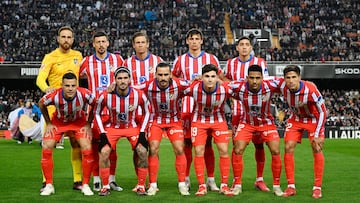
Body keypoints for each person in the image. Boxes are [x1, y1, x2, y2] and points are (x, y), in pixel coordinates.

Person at [172, 28, 225, 191]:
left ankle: (210, 180)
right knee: (187, 144)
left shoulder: (211, 58)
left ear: (201, 41)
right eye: (191, 38)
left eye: (197, 38)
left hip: (209, 109)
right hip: (188, 108)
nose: (194, 41)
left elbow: (221, 79)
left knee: (208, 145)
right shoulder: (180, 60)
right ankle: (186, 178)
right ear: (187, 41)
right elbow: (173, 79)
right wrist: (190, 83)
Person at [36, 26, 84, 192]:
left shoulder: (78, 56)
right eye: (63, 37)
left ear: (73, 39)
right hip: (54, 109)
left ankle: (78, 180)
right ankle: (46, 181)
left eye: (69, 37)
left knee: (76, 143)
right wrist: (47, 89)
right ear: (58, 39)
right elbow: (40, 79)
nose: (66, 40)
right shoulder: (50, 57)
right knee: (48, 145)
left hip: (74, 108)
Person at [227, 65, 283, 196]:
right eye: (251, 78)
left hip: (266, 123)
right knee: (237, 149)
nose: (254, 81)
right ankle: (237, 185)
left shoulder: (270, 85)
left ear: (262, 78)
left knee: (275, 150)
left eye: (258, 78)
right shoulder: (239, 86)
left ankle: (276, 186)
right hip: (247, 122)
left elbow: (288, 82)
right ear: (247, 78)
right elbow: (223, 86)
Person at [225, 36, 271, 192]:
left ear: (251, 47)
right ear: (237, 47)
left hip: (258, 112)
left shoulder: (260, 63)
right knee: (237, 147)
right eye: (241, 45)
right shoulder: (231, 63)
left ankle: (260, 179)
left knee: (259, 145)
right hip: (238, 111)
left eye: (247, 45)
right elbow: (227, 82)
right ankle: (236, 181)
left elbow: (267, 83)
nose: (244, 47)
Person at [80, 31, 124, 192]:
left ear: (108, 43)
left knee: (112, 146)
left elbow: (125, 78)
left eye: (103, 41)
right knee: (94, 145)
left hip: (112, 109)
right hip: (94, 109)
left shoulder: (117, 60)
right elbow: (75, 80)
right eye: (97, 42)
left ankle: (111, 179)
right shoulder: (86, 62)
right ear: (93, 44)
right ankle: (97, 179)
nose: (100, 44)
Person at [94, 67, 150, 196]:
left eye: (125, 78)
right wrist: (102, 133)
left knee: (142, 151)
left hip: (132, 126)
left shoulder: (138, 94)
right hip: (113, 127)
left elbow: (147, 112)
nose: (123, 81)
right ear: (115, 81)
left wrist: (142, 132)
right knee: (104, 152)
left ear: (130, 80)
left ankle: (141, 185)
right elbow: (96, 113)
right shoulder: (105, 95)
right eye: (119, 78)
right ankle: (105, 186)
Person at [38, 72, 95, 196]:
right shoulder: (54, 95)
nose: (70, 88)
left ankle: (85, 184)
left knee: (87, 148)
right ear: (62, 85)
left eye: (73, 85)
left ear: (77, 85)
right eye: (67, 85)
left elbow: (96, 104)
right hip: (58, 123)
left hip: (79, 123)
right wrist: (48, 123)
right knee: (46, 146)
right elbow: (41, 103)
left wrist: (88, 123)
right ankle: (49, 185)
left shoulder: (85, 94)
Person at [137, 62, 189, 196]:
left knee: (179, 148)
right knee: (153, 148)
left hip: (174, 121)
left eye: (166, 74)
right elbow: (132, 88)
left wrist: (201, 80)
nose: (163, 78)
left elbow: (195, 86)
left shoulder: (179, 84)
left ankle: (182, 184)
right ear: (155, 75)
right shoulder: (148, 85)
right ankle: (153, 185)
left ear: (171, 75)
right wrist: (113, 87)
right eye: (160, 75)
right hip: (155, 121)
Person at [184, 64, 233, 196]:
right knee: (199, 151)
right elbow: (178, 91)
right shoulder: (193, 88)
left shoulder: (225, 89)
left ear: (217, 77)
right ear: (202, 78)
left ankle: (224, 185)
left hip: (218, 120)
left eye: (213, 76)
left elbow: (240, 92)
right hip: (199, 120)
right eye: (206, 76)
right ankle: (201, 186)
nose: (210, 79)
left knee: (223, 150)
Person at [123, 31, 163, 192]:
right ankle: (141, 181)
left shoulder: (157, 61)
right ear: (133, 45)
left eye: (142, 42)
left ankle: (153, 182)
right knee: (138, 148)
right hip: (134, 111)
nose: (140, 45)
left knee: (153, 147)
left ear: (147, 44)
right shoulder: (126, 63)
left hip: (153, 110)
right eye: (137, 42)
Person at [279, 65, 326, 199]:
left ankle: (317, 187)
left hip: (313, 119)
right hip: (296, 119)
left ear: (299, 78)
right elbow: (265, 81)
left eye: (294, 77)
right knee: (288, 146)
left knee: (316, 147)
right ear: (284, 79)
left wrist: (318, 134)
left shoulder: (310, 89)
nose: (291, 80)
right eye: (288, 78)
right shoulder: (282, 86)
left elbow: (323, 111)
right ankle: (290, 186)